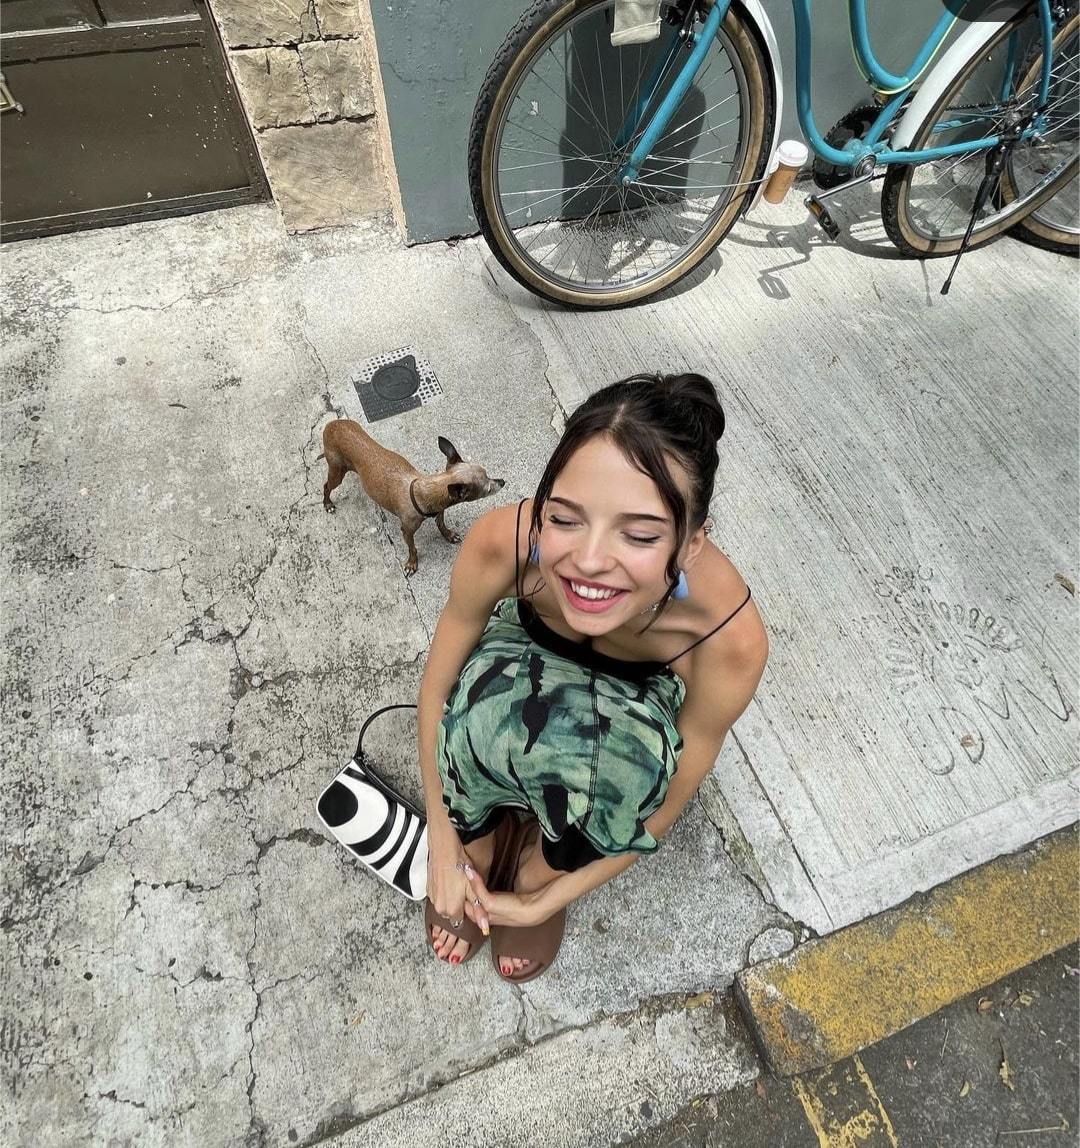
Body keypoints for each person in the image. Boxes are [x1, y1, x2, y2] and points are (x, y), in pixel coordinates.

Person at [416, 372, 768, 982]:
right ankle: (481, 842)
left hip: (634, 695)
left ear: (691, 544)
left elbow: (666, 801)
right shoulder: (503, 542)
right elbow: (436, 690)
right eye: (565, 519)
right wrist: (444, 846)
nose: (589, 561)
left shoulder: (727, 638)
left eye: (640, 534)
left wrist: (544, 900)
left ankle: (537, 869)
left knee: (630, 775)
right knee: (474, 714)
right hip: (523, 648)